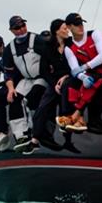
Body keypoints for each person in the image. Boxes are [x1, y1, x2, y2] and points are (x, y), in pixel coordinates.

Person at [56, 12, 102, 134]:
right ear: (69, 27)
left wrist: (85, 67)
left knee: (94, 82)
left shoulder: (94, 34)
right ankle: (69, 115)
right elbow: (75, 69)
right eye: (76, 24)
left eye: (81, 23)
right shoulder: (69, 47)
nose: (80, 27)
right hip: (91, 72)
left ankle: (75, 115)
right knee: (68, 83)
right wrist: (82, 76)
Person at [19, 19, 72, 154]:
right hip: (54, 82)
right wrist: (54, 85)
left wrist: (66, 77)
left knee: (63, 100)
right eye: (64, 28)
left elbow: (78, 64)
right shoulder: (48, 48)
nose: (67, 30)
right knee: (43, 107)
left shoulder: (71, 44)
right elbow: (44, 71)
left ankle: (66, 136)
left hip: (71, 78)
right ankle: (35, 140)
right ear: (56, 31)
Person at [1, 15, 48, 152]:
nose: (21, 29)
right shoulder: (10, 49)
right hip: (26, 79)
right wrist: (10, 89)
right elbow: (8, 73)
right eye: (17, 28)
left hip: (41, 77)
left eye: (23, 26)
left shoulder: (37, 40)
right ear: (11, 30)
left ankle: (33, 133)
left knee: (31, 99)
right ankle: (21, 136)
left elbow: (50, 55)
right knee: (15, 99)